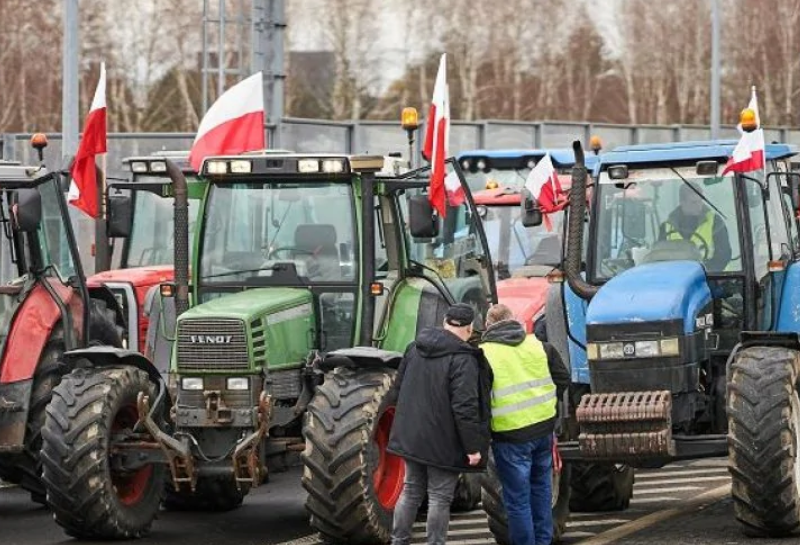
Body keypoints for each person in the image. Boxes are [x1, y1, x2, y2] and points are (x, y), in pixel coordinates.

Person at [388, 303, 492, 545]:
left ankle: (399, 541)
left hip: (412, 437)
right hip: (444, 441)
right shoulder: (463, 359)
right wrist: (472, 448)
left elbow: (397, 391)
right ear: (469, 328)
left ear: (445, 321)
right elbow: (464, 408)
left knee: (411, 491)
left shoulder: (414, 348)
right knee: (439, 497)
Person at [481, 304, 569, 545]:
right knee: (541, 491)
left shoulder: (484, 354)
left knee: (517, 499)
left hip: (510, 436)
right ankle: (543, 541)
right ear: (514, 320)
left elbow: (480, 398)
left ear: (488, 326)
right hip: (543, 431)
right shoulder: (539, 345)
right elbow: (563, 377)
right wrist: (548, 404)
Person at [658, 183, 731, 271]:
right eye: (694, 202)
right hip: (678, 280)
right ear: (682, 202)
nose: (699, 206)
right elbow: (659, 258)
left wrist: (704, 273)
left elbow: (723, 255)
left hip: (715, 279)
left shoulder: (715, 222)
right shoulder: (666, 227)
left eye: (700, 201)